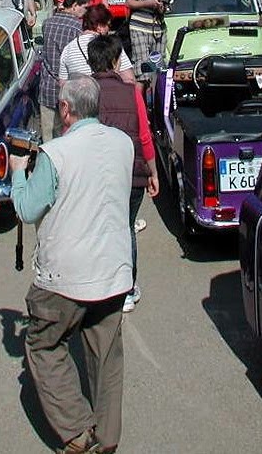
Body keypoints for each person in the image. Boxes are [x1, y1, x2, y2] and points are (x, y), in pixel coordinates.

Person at [11, 76, 133, 454]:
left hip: (64, 275)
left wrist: (19, 171)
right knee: (106, 357)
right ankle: (108, 437)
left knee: (44, 344)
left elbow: (28, 208)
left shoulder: (55, 153)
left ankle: (78, 431)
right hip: (113, 268)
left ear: (65, 109)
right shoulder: (122, 144)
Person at [88, 34, 160, 313]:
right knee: (125, 228)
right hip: (131, 175)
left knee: (97, 228)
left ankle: (97, 286)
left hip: (94, 176)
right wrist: (153, 172)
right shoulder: (132, 92)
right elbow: (144, 136)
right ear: (116, 62)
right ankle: (127, 289)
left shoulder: (84, 92)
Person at [40, 0, 93, 141]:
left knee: (48, 137)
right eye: (85, 8)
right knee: (69, 137)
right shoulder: (78, 28)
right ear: (75, 5)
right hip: (69, 92)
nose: (86, 13)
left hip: (47, 88)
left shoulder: (47, 24)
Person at [125, 0, 174, 77]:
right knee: (143, 70)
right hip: (139, 27)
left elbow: (168, 8)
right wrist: (149, 3)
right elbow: (129, 2)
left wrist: (161, 8)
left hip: (158, 29)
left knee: (158, 68)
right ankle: (140, 95)